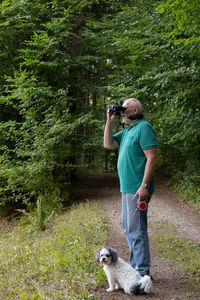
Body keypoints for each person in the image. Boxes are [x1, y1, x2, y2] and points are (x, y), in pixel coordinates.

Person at [104, 98, 157, 276]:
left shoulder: (144, 127)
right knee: (128, 227)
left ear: (134, 110)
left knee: (136, 229)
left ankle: (142, 272)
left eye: (124, 108)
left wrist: (144, 185)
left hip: (137, 188)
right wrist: (109, 121)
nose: (122, 111)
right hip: (126, 188)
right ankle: (137, 267)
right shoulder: (128, 130)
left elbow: (152, 158)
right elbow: (108, 144)